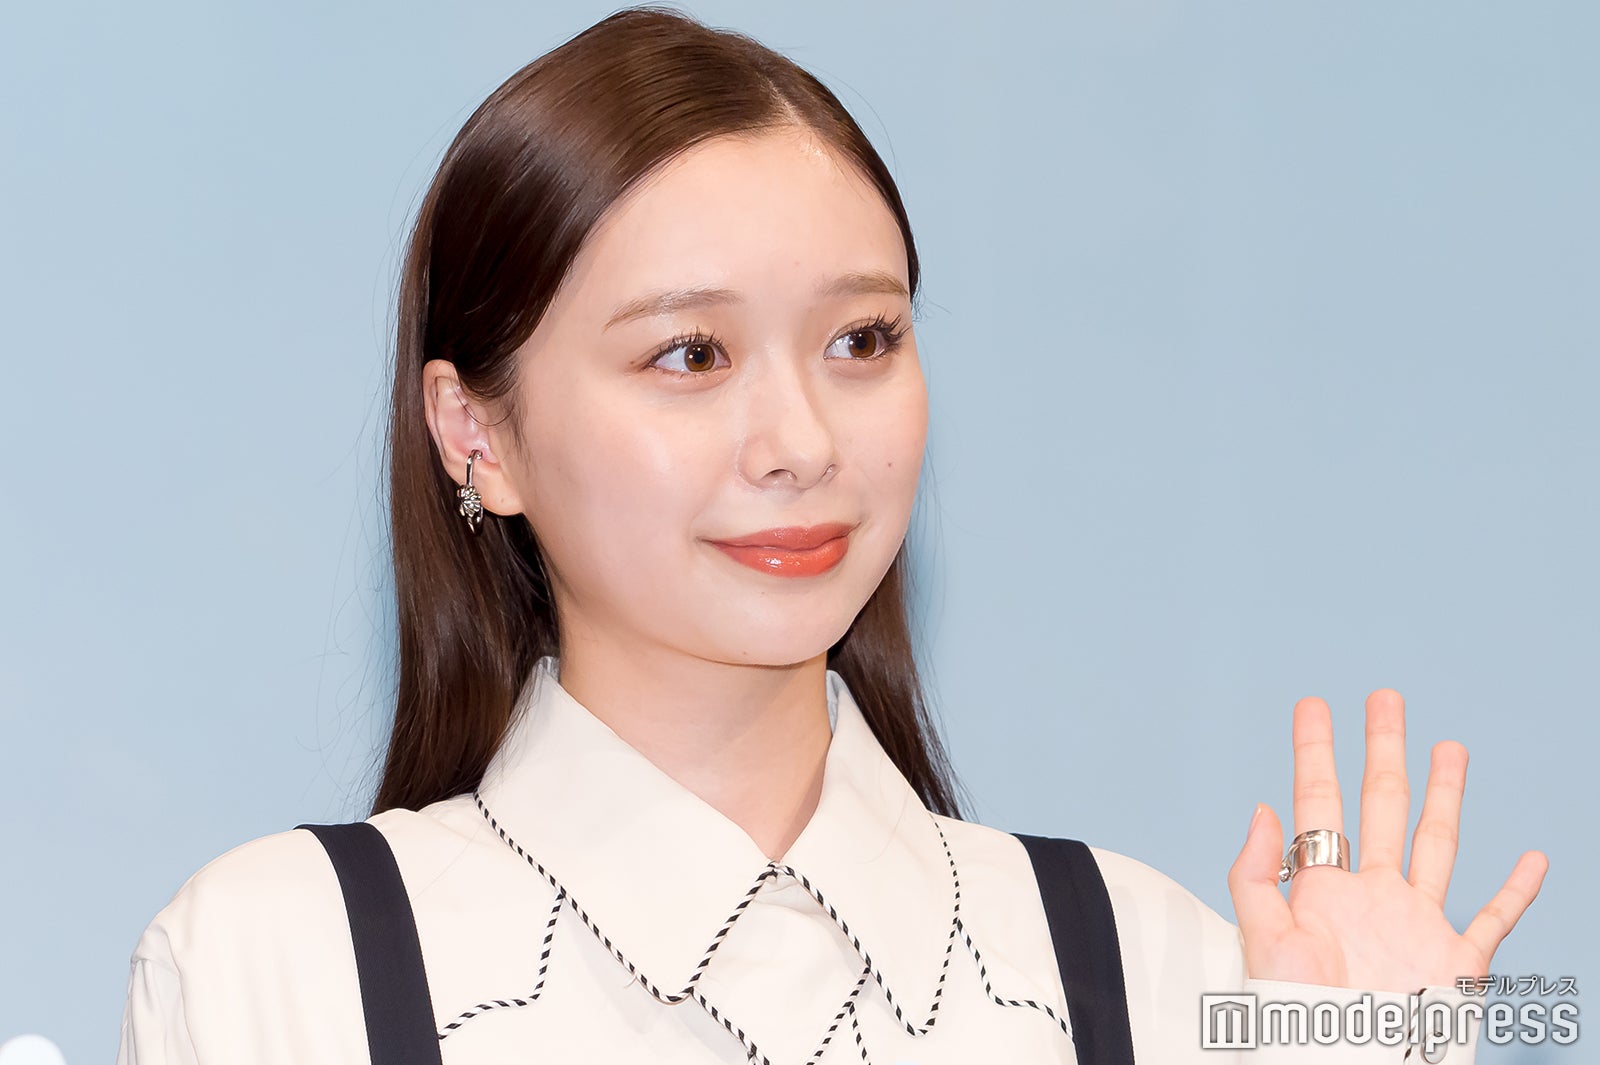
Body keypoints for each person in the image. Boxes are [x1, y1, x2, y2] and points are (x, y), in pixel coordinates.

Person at [116, 8, 1547, 1063]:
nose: (800, 440)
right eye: (689, 355)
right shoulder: (283, 967)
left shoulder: (1140, 969)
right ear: (473, 432)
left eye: (862, 339)